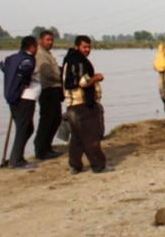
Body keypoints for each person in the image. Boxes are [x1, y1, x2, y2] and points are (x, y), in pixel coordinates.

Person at [62, 35, 110, 174]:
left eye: (89, 47)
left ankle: (75, 165)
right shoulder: (79, 62)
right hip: (82, 104)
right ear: (77, 47)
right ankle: (98, 165)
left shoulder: (69, 60)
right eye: (84, 47)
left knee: (77, 137)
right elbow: (84, 83)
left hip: (71, 105)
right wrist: (97, 77)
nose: (87, 50)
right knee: (91, 136)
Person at [0, 36, 40, 169]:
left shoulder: (12, 58)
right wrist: (25, 82)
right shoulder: (28, 59)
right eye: (36, 46)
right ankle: (17, 161)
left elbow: (2, 66)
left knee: (27, 128)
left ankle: (15, 156)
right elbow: (26, 70)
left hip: (13, 97)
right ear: (31, 47)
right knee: (23, 129)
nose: (37, 49)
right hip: (25, 98)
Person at [34, 30, 63, 159]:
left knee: (55, 119)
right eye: (47, 40)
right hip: (47, 89)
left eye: (51, 40)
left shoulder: (47, 53)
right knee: (47, 120)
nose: (50, 42)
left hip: (54, 89)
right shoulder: (40, 54)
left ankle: (47, 147)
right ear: (40, 40)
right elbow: (47, 73)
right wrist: (63, 77)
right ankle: (41, 150)